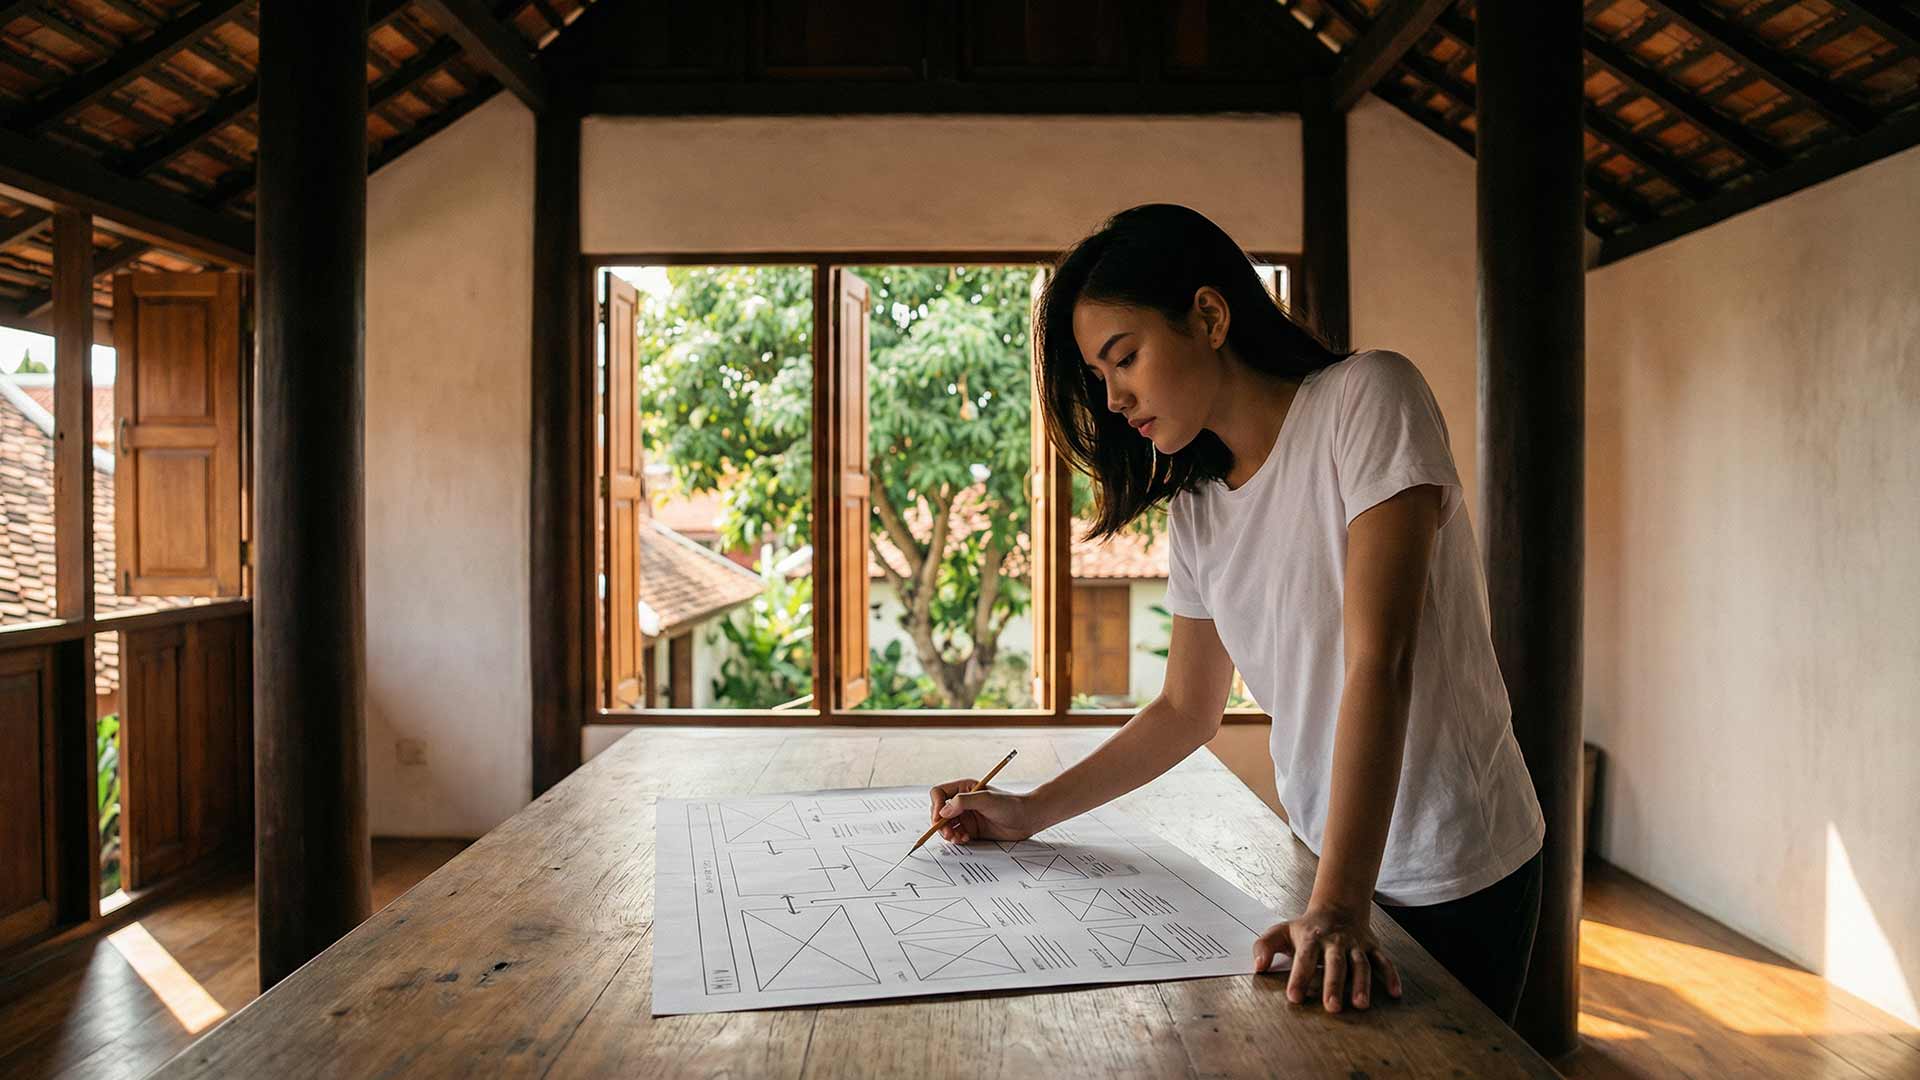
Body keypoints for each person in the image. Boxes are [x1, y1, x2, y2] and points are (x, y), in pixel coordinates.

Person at [927, 203, 1546, 1023]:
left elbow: (1381, 660)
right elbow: (1187, 708)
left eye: (1125, 359)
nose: (1114, 400)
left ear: (1210, 315)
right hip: (1327, 858)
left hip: (1456, 864)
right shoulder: (1199, 507)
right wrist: (1030, 811)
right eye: (1100, 379)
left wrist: (1340, 906)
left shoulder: (1368, 399)